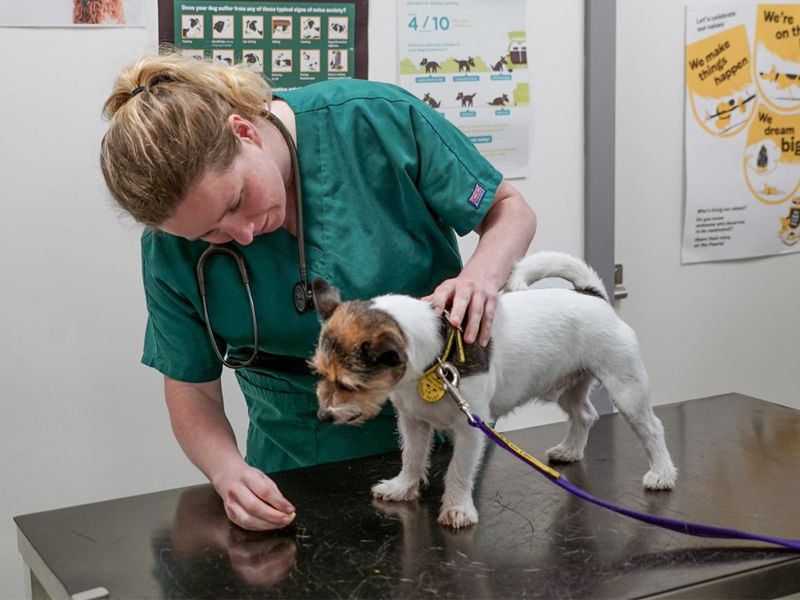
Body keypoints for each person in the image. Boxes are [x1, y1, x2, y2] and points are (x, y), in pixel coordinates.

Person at [100, 52, 536, 532]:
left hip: (442, 432)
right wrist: (227, 473)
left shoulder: (375, 120)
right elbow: (191, 390)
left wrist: (482, 276)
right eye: (211, 235)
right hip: (295, 465)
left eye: (238, 201)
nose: (243, 234)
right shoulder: (168, 247)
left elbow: (509, 209)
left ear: (244, 131)